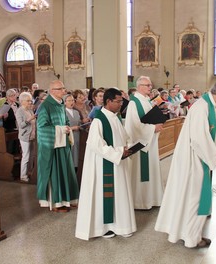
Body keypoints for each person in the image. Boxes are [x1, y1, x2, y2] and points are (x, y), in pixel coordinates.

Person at [155, 79, 216, 248]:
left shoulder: (207, 105)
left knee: (193, 198)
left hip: (198, 158)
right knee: (197, 199)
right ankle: (193, 238)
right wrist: (214, 160)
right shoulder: (203, 107)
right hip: (196, 160)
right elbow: (200, 139)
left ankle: (191, 234)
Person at [75, 88, 136, 240]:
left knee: (120, 193)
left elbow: (123, 136)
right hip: (104, 165)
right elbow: (96, 145)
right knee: (105, 196)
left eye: (121, 101)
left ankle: (121, 225)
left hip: (117, 163)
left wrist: (128, 146)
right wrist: (118, 153)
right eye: (118, 101)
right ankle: (105, 228)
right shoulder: (98, 120)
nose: (121, 104)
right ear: (108, 102)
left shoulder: (115, 117)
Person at [36, 80, 79, 212]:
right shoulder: (45, 106)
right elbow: (42, 127)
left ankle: (68, 199)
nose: (64, 91)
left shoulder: (60, 104)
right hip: (52, 146)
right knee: (55, 172)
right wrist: (60, 130)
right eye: (61, 89)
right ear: (53, 91)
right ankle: (56, 203)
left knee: (66, 171)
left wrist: (66, 128)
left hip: (62, 143)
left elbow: (64, 121)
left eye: (64, 88)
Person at [124, 76, 164, 209]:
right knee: (141, 172)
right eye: (148, 85)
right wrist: (153, 128)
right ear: (140, 86)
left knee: (151, 169)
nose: (150, 87)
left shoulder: (146, 100)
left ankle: (151, 199)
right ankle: (140, 202)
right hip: (141, 143)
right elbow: (134, 126)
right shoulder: (133, 103)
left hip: (150, 142)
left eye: (150, 85)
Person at [15, 92, 36, 182]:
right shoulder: (19, 111)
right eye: (28, 101)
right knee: (26, 156)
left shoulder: (29, 110)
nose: (30, 102)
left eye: (30, 101)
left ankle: (30, 171)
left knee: (31, 156)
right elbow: (21, 125)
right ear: (22, 101)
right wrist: (29, 119)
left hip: (32, 136)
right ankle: (23, 176)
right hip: (24, 136)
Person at [64, 94, 81, 172]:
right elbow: (61, 127)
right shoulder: (62, 113)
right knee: (70, 155)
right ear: (64, 102)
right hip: (68, 137)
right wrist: (72, 128)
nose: (72, 102)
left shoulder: (76, 112)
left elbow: (79, 123)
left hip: (77, 136)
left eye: (73, 100)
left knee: (76, 155)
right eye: (69, 100)